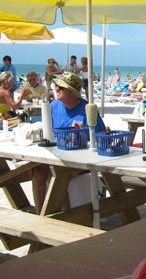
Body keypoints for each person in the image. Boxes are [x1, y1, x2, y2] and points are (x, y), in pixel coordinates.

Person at [31, 72, 106, 214]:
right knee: (37, 172)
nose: (57, 89)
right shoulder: (53, 106)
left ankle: (65, 215)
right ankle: (40, 215)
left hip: (80, 159)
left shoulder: (88, 109)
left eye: (61, 87)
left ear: (72, 91)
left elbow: (101, 134)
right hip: (56, 156)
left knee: (56, 174)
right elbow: (46, 132)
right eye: (56, 86)